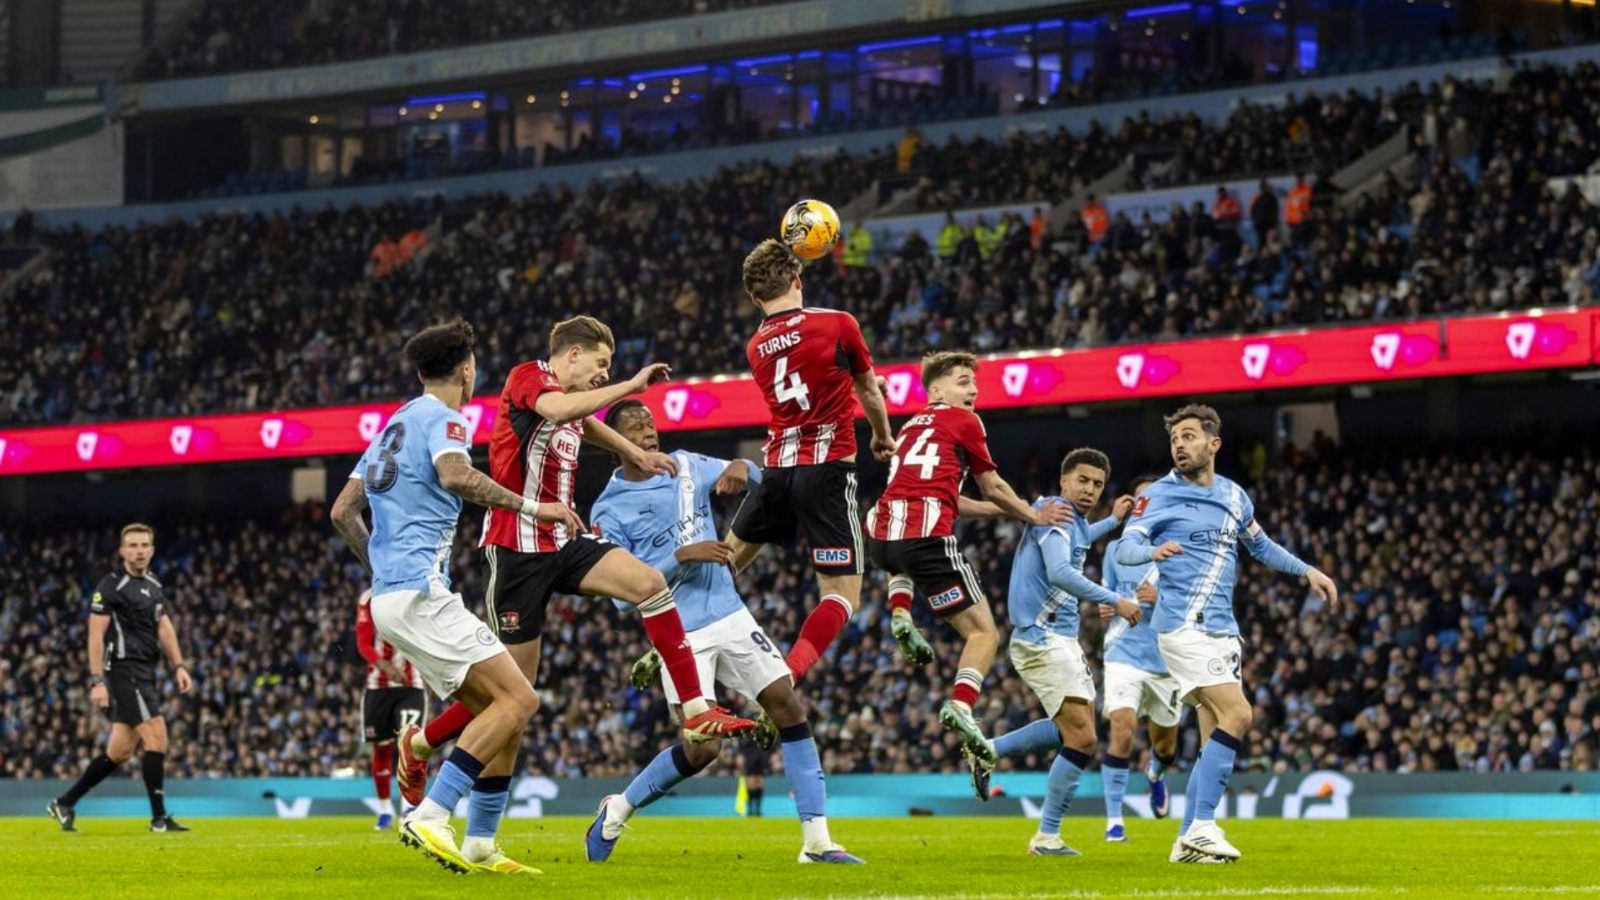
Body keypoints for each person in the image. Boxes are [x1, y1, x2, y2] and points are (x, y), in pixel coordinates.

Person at [392, 317, 756, 804]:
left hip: (562, 539)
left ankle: (695, 709)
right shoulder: (530, 378)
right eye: (601, 363)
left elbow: (580, 422)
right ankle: (421, 747)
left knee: (649, 583)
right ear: (573, 355)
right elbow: (561, 408)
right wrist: (631, 385)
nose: (606, 373)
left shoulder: (565, 408)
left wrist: (634, 451)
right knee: (512, 694)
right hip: (516, 551)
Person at [331, 318, 575, 875]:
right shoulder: (445, 419)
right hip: (420, 592)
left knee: (495, 701)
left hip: (392, 597)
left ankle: (471, 830)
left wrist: (380, 571)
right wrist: (536, 508)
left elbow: (342, 511)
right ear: (466, 370)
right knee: (521, 701)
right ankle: (432, 814)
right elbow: (458, 477)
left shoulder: (393, 424)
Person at [584, 400, 861, 865]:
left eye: (650, 423)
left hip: (730, 614)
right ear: (615, 443)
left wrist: (740, 467)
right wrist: (682, 557)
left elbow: (755, 477)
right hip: (679, 632)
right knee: (703, 750)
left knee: (788, 706)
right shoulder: (609, 510)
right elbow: (618, 596)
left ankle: (817, 842)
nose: (648, 431)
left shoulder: (688, 466)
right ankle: (618, 808)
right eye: (634, 427)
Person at [1116, 403, 1338, 863]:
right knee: (1239, 715)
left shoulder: (1235, 497)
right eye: (1176, 437)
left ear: (1213, 444)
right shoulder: (1156, 495)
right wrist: (1150, 551)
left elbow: (1259, 545)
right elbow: (1125, 548)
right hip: (1182, 626)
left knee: (1214, 732)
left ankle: (1185, 841)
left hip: (1222, 631)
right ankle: (1202, 827)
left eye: (1190, 436)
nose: (1180, 444)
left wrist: (1305, 571)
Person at [864, 351, 1068, 763]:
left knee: (896, 552)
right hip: (928, 540)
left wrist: (1005, 509)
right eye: (962, 381)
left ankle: (900, 608)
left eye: (973, 383)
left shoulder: (908, 429)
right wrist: (1033, 514)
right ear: (937, 390)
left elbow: (953, 498)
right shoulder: (965, 421)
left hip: (882, 536)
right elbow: (991, 486)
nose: (973, 389)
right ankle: (961, 703)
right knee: (984, 634)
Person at [724, 240, 896, 683]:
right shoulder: (838, 323)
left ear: (754, 298)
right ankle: (789, 673)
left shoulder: (755, 346)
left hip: (777, 469)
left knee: (725, 562)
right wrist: (881, 435)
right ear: (798, 279)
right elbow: (869, 392)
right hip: (828, 470)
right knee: (842, 595)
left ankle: (679, 635)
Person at [971, 449, 1141, 856]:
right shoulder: (1053, 510)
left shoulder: (1072, 521)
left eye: (1097, 484)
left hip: (1058, 638)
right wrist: (1117, 600)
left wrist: (1112, 522)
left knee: (1076, 733)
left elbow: (1078, 541)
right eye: (1082, 480)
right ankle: (1046, 836)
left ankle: (989, 751)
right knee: (1082, 738)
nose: (1090, 490)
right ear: (1064, 481)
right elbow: (1060, 572)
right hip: (1042, 637)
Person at [49, 523, 193, 833]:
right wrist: (97, 680)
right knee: (157, 733)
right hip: (123, 670)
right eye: (133, 546)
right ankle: (158, 818)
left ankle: (64, 802)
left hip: (146, 670)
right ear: (122, 551)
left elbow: (164, 626)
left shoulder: (154, 584)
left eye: (144, 545)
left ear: (152, 551)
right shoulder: (111, 586)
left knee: (120, 751)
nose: (139, 551)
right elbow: (95, 634)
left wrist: (179, 665)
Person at [1096, 474, 1181, 843]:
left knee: (1166, 747)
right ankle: (1115, 822)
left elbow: (1196, 606)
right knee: (1123, 729)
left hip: (1167, 661)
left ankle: (1156, 776)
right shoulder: (1116, 550)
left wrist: (1162, 601)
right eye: (1139, 499)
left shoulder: (1179, 549)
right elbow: (1108, 593)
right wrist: (1107, 604)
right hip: (1123, 652)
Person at [354, 587, 427, 830]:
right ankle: (385, 810)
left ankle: (409, 809)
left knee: (412, 745)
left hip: (411, 686)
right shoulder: (369, 597)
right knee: (381, 748)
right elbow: (363, 643)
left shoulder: (417, 591)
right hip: (378, 687)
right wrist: (384, 666)